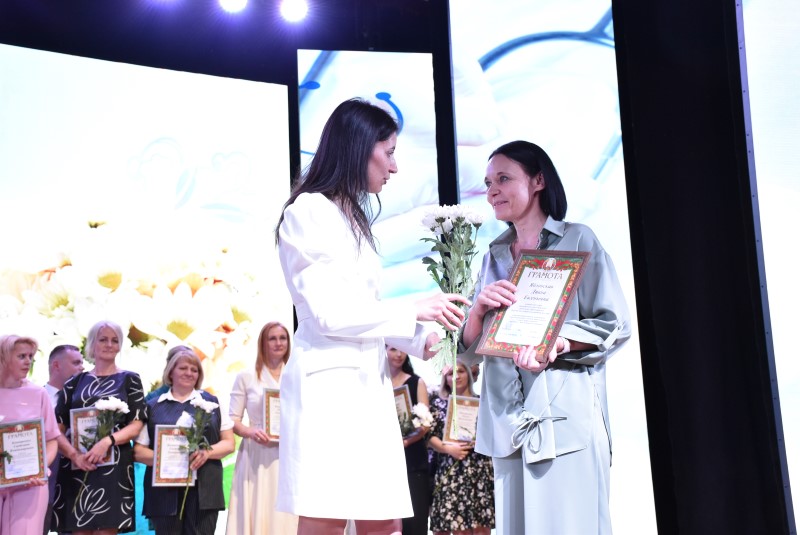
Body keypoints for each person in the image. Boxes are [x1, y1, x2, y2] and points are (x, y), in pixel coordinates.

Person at [274, 97, 470, 535]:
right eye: (390, 152)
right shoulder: (308, 211)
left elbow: (363, 309)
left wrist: (419, 339)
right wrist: (413, 308)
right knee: (325, 518)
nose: (394, 167)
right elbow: (328, 313)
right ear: (360, 148)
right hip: (328, 387)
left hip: (368, 383)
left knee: (384, 519)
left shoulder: (352, 218)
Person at [459, 140, 631, 534]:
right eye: (488, 183)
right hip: (506, 426)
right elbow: (468, 353)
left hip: (564, 419)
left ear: (538, 181)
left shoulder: (578, 239)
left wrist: (560, 341)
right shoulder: (492, 257)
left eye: (504, 179)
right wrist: (478, 310)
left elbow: (615, 323)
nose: (493, 191)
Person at [53, 320, 148, 535]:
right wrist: (74, 455)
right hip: (78, 466)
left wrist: (107, 441)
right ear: (92, 344)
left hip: (114, 468)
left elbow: (136, 425)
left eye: (115, 340)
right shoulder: (74, 383)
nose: (109, 345)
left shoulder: (130, 379)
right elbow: (56, 428)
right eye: (103, 339)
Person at [134, 348, 234, 535]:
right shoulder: (152, 406)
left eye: (194, 370)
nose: (189, 373)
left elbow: (229, 443)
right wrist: (168, 460)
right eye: (183, 368)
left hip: (205, 491)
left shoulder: (213, 403)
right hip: (164, 494)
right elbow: (138, 451)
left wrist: (206, 453)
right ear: (171, 372)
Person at [225, 322, 298, 535]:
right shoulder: (246, 376)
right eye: (272, 338)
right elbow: (233, 420)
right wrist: (250, 432)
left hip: (289, 453)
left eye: (283, 338)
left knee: (286, 512)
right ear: (262, 343)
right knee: (260, 506)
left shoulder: (296, 375)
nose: (278, 343)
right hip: (257, 452)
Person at [0, 335, 61, 535]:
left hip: (30, 485)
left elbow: (52, 440)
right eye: (21, 356)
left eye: (30, 356)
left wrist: (39, 468)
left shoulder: (38, 393)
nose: (28, 361)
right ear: (3, 357)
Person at [427, 360, 495, 535]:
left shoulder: (482, 402)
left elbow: (493, 433)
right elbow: (429, 437)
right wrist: (448, 449)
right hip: (449, 469)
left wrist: (479, 441)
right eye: (451, 373)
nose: (456, 376)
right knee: (448, 524)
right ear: (445, 379)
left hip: (478, 469)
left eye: (461, 371)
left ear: (469, 374)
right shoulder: (438, 403)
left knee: (480, 525)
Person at [387, 345, 432, 535]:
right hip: (384, 461)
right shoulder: (377, 382)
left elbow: (425, 423)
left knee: (415, 523)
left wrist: (405, 442)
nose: (399, 354)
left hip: (412, 459)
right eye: (393, 349)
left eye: (402, 349)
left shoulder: (416, 382)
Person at [43, 344, 83, 535]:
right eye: (76, 363)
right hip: (43, 484)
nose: (82, 367)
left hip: (74, 484)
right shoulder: (35, 398)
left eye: (82, 363)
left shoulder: (83, 402)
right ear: (56, 365)